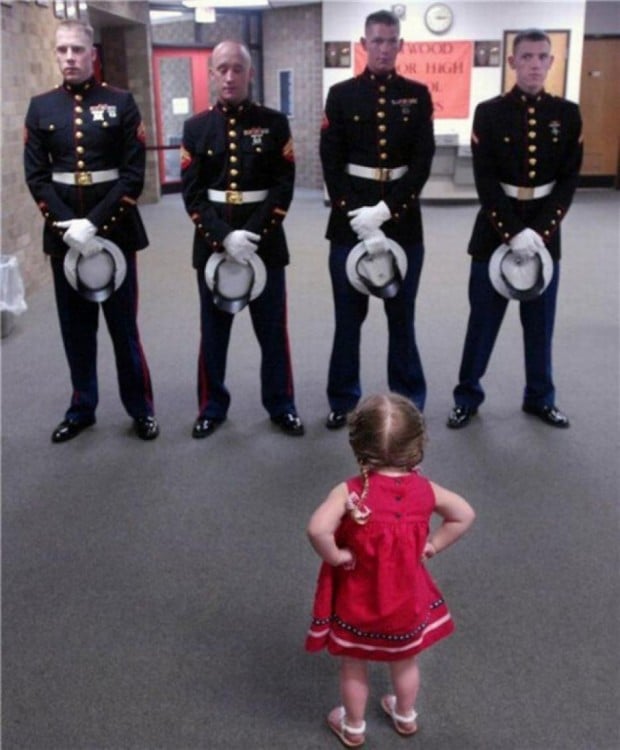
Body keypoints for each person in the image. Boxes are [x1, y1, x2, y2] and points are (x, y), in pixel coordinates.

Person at [306, 393, 475, 747]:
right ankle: (405, 715)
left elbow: (317, 529)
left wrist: (336, 556)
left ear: (358, 446)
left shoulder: (350, 493)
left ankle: (353, 726)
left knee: (354, 664)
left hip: (358, 604)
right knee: (405, 662)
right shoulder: (426, 489)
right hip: (406, 603)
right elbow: (463, 514)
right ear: (417, 444)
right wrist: (433, 545)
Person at [24, 19, 159, 443]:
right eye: (62, 50)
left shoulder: (121, 102)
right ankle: (82, 407)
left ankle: (140, 409)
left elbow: (133, 174)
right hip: (64, 237)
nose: (69, 58)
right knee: (75, 329)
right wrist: (68, 227)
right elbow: (37, 176)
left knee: (123, 330)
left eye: (77, 50)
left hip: (114, 233)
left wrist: (94, 223)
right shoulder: (41, 107)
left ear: (92, 54)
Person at [447, 29, 583, 430]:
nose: (535, 64)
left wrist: (539, 233)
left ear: (552, 63)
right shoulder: (489, 113)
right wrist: (510, 230)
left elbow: (568, 181)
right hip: (493, 232)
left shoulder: (567, 114)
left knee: (540, 325)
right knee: (483, 322)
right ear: (512, 63)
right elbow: (485, 180)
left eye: (543, 57)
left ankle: (540, 398)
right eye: (526, 57)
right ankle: (467, 396)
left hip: (545, 232)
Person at [180, 40, 304, 439]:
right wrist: (222, 237)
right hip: (213, 244)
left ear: (250, 74)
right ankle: (212, 406)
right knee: (213, 333)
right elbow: (192, 192)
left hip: (263, 243)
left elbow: (283, 186)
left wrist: (251, 234)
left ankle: (281, 404)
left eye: (238, 68)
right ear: (212, 74)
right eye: (222, 69)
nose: (230, 76)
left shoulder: (273, 123)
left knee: (273, 331)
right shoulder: (196, 127)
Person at [320, 10, 435, 430]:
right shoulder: (341, 94)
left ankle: (407, 399)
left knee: (401, 316)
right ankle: (342, 398)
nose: (384, 48)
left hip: (402, 221)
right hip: (350, 222)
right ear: (363, 45)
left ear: (400, 45)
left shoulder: (418, 96)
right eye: (377, 41)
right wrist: (359, 218)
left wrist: (385, 213)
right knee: (348, 319)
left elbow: (422, 164)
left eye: (391, 41)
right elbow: (331, 164)